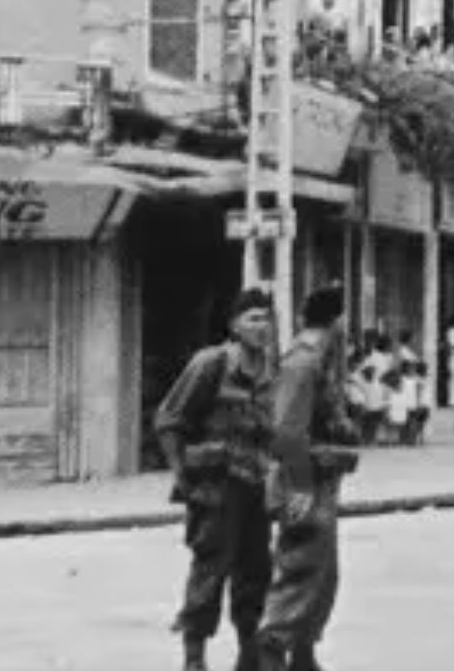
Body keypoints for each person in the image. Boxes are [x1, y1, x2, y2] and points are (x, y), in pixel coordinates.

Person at [155, 289, 277, 671]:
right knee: (210, 571)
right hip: (217, 488)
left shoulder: (273, 371)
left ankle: (249, 655)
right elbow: (170, 421)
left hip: (256, 486)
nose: (262, 327)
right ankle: (195, 659)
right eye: (253, 319)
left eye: (266, 318)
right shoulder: (211, 363)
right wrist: (183, 478)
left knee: (256, 573)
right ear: (234, 325)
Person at [254, 287, 361, 671]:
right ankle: (273, 647)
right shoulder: (304, 361)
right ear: (337, 321)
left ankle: (303, 654)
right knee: (301, 568)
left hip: (319, 477)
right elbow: (286, 430)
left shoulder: (322, 360)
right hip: (304, 480)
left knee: (321, 574)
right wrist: (298, 486)